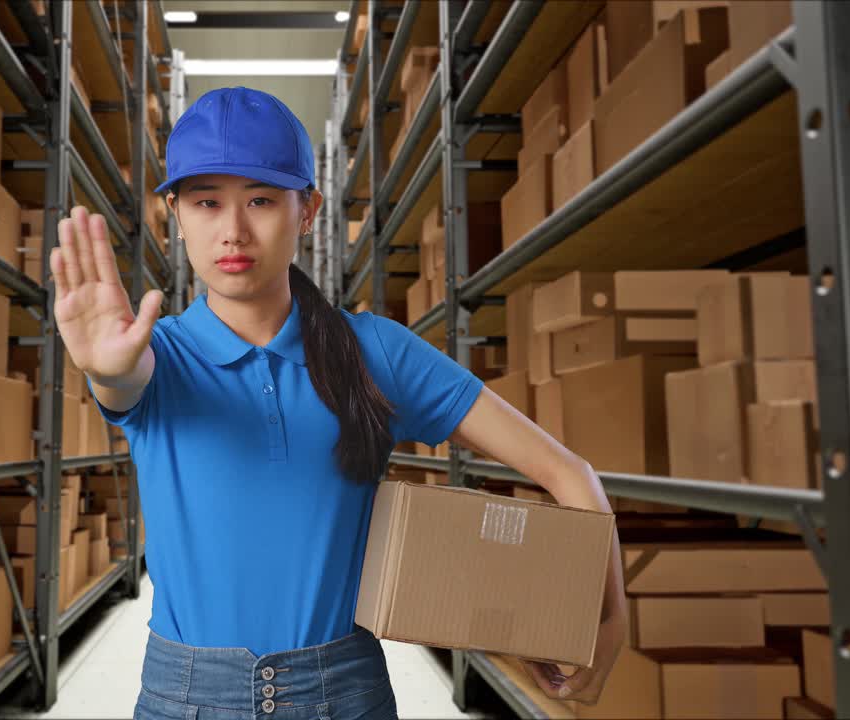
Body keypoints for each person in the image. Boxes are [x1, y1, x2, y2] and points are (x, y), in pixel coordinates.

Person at [49, 86, 626, 720]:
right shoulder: (158, 357)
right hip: (185, 699)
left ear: (307, 211)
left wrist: (607, 618)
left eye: (262, 200)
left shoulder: (374, 351)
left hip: (343, 695)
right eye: (206, 202)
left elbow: (571, 474)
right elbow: (123, 386)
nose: (233, 230)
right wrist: (108, 371)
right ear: (175, 214)